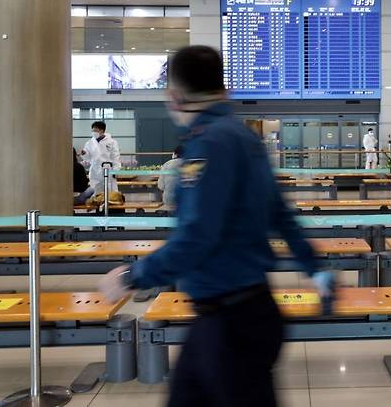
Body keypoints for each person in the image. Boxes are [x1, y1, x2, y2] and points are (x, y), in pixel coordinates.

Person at [98, 45, 335, 407]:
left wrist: (133, 276)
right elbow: (280, 213)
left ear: (174, 96)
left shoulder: (209, 143)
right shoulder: (243, 138)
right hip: (245, 312)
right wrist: (315, 269)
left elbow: (198, 236)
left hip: (229, 323)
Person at [81, 121, 122, 194]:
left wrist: (116, 170)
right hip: (95, 170)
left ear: (102, 130)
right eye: (92, 130)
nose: (93, 132)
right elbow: (87, 157)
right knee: (95, 191)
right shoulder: (89, 143)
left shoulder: (112, 142)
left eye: (95, 130)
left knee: (110, 191)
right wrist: (84, 153)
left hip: (108, 170)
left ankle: (109, 204)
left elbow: (116, 157)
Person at [157, 145, 183, 209]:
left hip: (168, 200)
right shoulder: (189, 165)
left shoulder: (166, 165)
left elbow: (161, 186)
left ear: (174, 154)